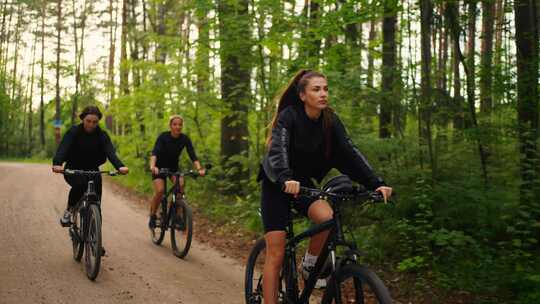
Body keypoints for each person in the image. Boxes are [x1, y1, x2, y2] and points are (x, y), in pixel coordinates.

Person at [259, 69, 393, 303]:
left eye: (325, 89)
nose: (323, 94)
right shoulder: (289, 116)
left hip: (303, 184)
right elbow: (278, 148)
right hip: (277, 183)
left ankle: (310, 265)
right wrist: (284, 177)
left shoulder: (330, 121)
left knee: (327, 217)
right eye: (316, 89)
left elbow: (350, 153)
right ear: (302, 95)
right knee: (276, 252)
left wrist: (376, 183)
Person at [52, 105, 129, 226]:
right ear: (83, 119)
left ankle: (95, 238)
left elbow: (110, 152)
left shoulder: (102, 135)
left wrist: (120, 166)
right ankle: (69, 210)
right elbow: (63, 148)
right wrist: (57, 164)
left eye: (95, 122)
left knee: (97, 201)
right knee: (81, 184)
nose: (91, 125)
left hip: (93, 170)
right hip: (73, 168)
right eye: (88, 121)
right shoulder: (74, 132)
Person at [148, 115, 205, 228]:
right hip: (159, 168)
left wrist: (199, 169)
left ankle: (176, 216)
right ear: (170, 126)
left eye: (180, 124)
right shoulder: (163, 137)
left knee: (180, 187)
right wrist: (152, 166)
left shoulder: (185, 139)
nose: (178, 127)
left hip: (173, 168)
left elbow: (193, 155)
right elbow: (155, 152)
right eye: (175, 124)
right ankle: (153, 216)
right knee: (160, 191)